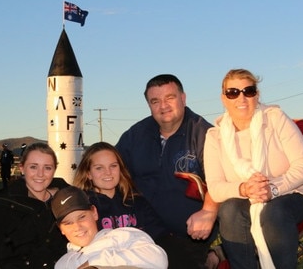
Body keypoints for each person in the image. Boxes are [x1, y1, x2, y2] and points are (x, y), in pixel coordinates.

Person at [204, 69, 303, 269]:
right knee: (229, 210)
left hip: (295, 191)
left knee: (273, 211)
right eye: (233, 92)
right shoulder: (214, 137)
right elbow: (216, 188)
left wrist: (272, 189)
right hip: (248, 198)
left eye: (248, 91)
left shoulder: (275, 118)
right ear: (223, 98)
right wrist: (245, 189)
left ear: (257, 95)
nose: (241, 97)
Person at [115, 74, 219, 268]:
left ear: (183, 98)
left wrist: (209, 210)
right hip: (142, 235)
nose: (163, 106)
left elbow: (222, 178)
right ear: (149, 105)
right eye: (155, 101)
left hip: (190, 237)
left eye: (169, 98)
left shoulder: (204, 133)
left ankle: (214, 253)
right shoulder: (135, 135)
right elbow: (110, 169)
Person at [74, 141, 189, 267]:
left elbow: (162, 238)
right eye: (99, 168)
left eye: (113, 166)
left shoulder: (136, 202)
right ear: (88, 173)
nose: (108, 172)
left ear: (120, 168)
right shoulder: (82, 207)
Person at [0, 142, 69, 268]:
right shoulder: (3, 204)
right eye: (33, 167)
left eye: (47, 168)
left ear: (54, 170)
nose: (40, 174)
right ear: (22, 168)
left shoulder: (67, 199)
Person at [51, 186, 168, 269]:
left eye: (82, 217)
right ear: (60, 228)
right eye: (68, 223)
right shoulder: (63, 264)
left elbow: (159, 259)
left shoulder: (122, 235)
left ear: (94, 212)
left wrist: (94, 264)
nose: (77, 227)